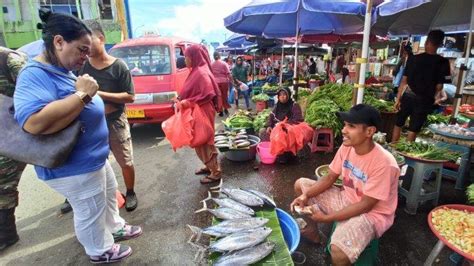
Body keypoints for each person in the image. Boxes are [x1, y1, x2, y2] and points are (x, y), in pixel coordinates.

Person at [13, 10, 141, 263]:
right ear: (59, 41)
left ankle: (114, 226)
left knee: (107, 195)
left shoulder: (60, 69)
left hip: (92, 157)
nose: (85, 57)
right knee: (89, 210)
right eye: (81, 50)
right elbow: (33, 122)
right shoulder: (34, 74)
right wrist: (83, 95)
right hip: (74, 165)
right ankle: (100, 249)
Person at [291, 104, 399, 266]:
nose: (343, 130)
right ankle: (313, 232)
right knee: (301, 185)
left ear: (370, 131)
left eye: (351, 126)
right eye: (345, 124)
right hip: (346, 199)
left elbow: (365, 205)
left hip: (370, 214)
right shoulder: (347, 147)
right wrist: (306, 195)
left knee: (338, 251)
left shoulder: (385, 164)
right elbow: (330, 178)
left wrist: (327, 218)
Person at [79, 20, 138, 212]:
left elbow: (130, 96)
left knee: (126, 162)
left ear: (101, 39)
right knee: (94, 163)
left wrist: (99, 94)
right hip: (91, 125)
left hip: (115, 123)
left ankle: (130, 192)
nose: (85, 47)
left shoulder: (118, 66)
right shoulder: (82, 67)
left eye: (89, 41)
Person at [392, 30, 451, 142]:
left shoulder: (414, 59)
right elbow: (439, 87)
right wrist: (435, 96)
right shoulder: (443, 62)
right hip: (425, 99)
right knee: (414, 128)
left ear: (427, 41)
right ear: (440, 44)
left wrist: (398, 99)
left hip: (408, 95)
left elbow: (404, 81)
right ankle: (406, 151)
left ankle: (393, 146)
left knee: (399, 123)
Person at [178, 44, 221, 184]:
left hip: (202, 111)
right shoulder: (198, 70)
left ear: (194, 57)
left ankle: (215, 172)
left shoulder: (201, 73)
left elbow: (206, 94)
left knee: (204, 140)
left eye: (187, 57)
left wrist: (186, 102)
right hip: (199, 110)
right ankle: (209, 166)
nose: (185, 60)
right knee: (200, 141)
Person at [0, 47, 28, 251]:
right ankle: (7, 232)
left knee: (5, 181)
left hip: (20, 128)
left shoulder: (8, 59)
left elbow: (34, 88)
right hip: (5, 130)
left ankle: (7, 234)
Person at [259, 87, 304, 163]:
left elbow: (297, 120)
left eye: (285, 94)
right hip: (277, 129)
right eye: (280, 95)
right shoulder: (277, 106)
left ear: (288, 95)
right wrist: (269, 126)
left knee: (282, 135)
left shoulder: (294, 106)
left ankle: (285, 154)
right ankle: (275, 152)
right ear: (278, 97)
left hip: (289, 130)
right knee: (263, 132)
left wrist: (283, 125)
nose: (282, 97)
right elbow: (271, 117)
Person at [211, 51, 232, 117]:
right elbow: (228, 74)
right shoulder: (224, 63)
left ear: (214, 57)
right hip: (224, 82)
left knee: (218, 97)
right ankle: (226, 109)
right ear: (219, 56)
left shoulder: (211, 64)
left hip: (215, 82)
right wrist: (232, 81)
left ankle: (220, 111)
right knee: (224, 96)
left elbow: (210, 74)